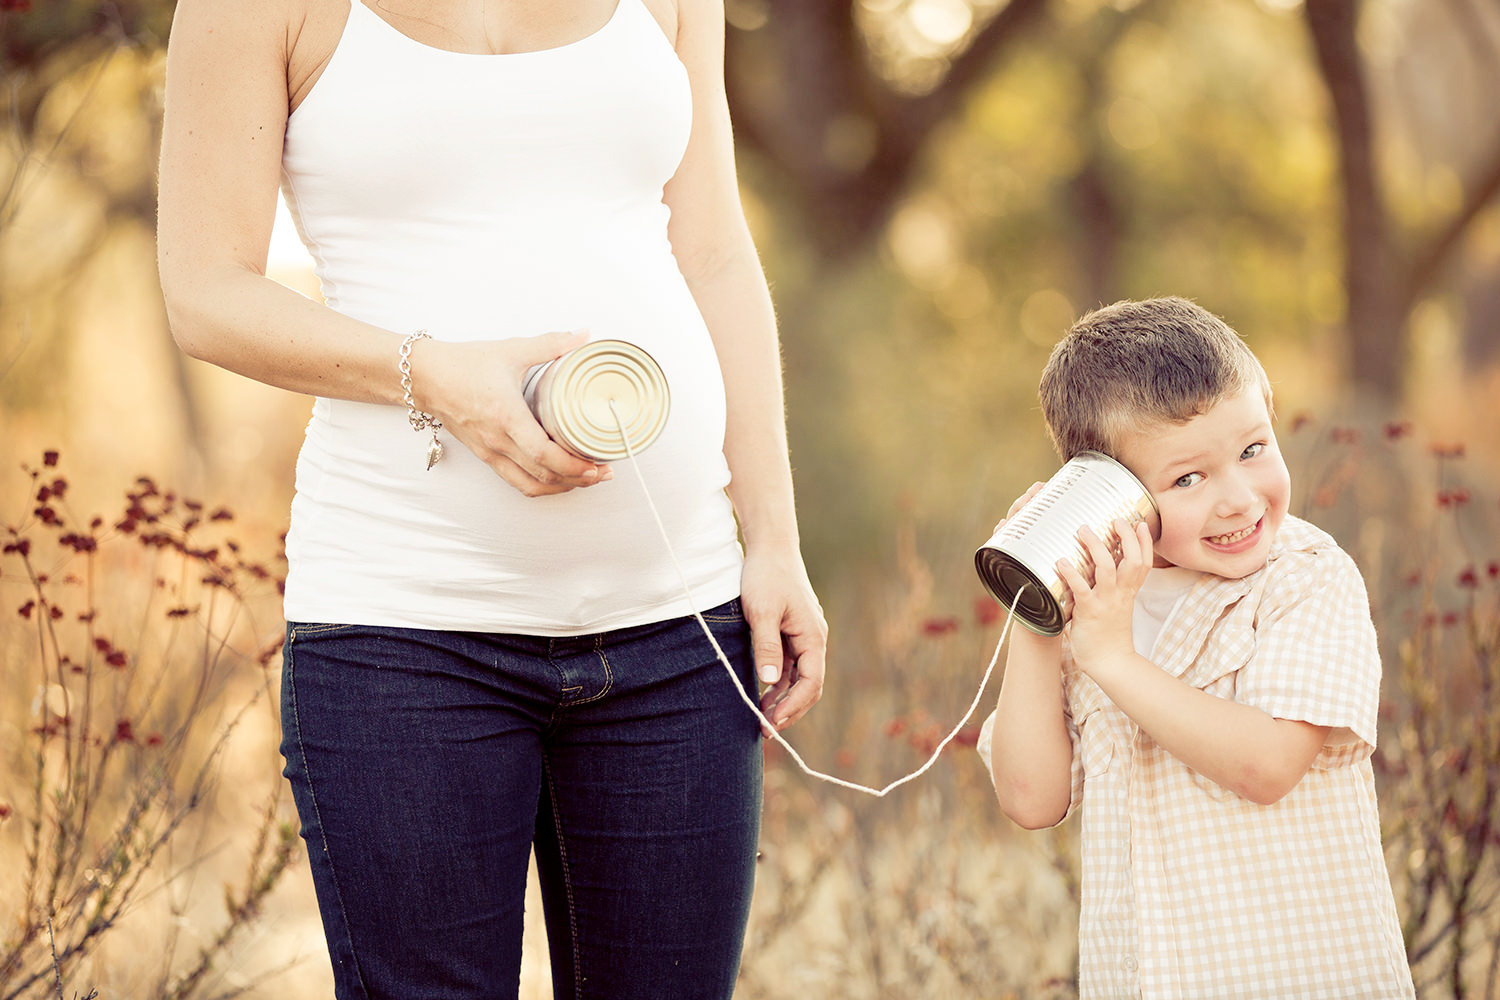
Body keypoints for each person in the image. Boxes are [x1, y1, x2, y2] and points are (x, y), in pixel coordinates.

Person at [156, 0, 827, 996]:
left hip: (678, 628)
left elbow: (716, 250)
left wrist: (773, 538)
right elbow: (205, 290)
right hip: (406, 636)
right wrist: (433, 374)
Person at [976, 297, 1415, 998]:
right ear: (1106, 493)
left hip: (1302, 979)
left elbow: (1268, 764)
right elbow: (1030, 797)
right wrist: (1040, 607)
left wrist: (1115, 659)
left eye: (1252, 449)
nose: (1239, 499)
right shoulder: (1094, 610)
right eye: (1188, 479)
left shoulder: (1304, 577)